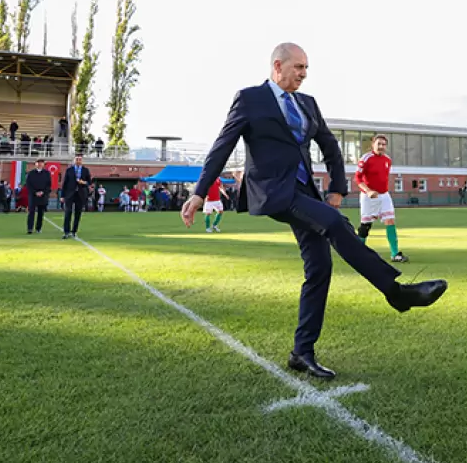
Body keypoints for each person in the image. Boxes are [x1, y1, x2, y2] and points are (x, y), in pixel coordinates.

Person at [182, 42, 447, 380]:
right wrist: (199, 192)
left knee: (320, 266)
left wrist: (337, 187)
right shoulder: (250, 99)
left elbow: (330, 146)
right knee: (335, 223)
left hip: (306, 191)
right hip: (274, 192)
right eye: (298, 67)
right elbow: (223, 145)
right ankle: (396, 292)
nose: (304, 74)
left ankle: (301, 352)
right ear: (278, 66)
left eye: (306, 67)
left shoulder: (307, 103)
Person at [355, 134, 408, 263]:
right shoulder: (366, 158)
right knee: (366, 225)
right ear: (373, 144)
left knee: (390, 221)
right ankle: (357, 253)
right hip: (368, 196)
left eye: (384, 144)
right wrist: (368, 191)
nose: (381, 146)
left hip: (384, 195)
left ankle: (395, 254)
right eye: (379, 144)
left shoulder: (387, 160)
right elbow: (357, 178)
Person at [60, 154, 91, 239]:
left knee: (78, 213)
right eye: (77, 159)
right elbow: (65, 183)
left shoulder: (85, 170)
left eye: (80, 159)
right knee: (68, 212)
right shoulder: (69, 170)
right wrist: (62, 195)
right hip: (69, 194)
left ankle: (74, 231)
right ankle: (66, 232)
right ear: (74, 160)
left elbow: (89, 182)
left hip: (80, 194)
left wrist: (83, 182)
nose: (78, 161)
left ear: (82, 161)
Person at [24, 159, 52, 234]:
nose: (40, 164)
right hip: (33, 196)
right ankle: (30, 228)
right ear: (35, 164)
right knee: (31, 212)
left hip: (43, 195)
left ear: (43, 164)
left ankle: (38, 228)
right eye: (38, 163)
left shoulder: (47, 173)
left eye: (41, 163)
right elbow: (28, 185)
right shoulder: (31, 173)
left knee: (40, 213)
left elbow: (49, 185)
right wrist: (35, 192)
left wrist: (43, 192)